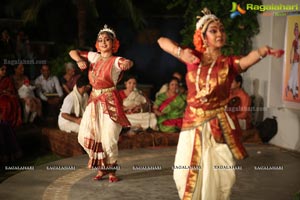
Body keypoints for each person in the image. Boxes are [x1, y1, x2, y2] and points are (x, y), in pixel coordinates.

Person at [157, 8, 284, 200]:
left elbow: (247, 61)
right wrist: (180, 53)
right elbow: (161, 41)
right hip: (192, 125)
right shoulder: (193, 57)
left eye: (221, 30)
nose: (220, 34)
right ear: (203, 36)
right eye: (214, 30)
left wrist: (262, 51)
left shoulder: (228, 63)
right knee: (183, 172)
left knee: (222, 174)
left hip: (217, 124)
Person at [69, 24, 133, 183]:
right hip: (94, 101)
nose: (103, 42)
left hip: (110, 102)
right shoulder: (94, 57)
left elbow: (127, 62)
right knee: (85, 135)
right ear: (97, 44)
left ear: (113, 43)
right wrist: (78, 60)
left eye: (107, 40)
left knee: (109, 138)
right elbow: (73, 52)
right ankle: (101, 166)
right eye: (100, 40)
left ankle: (111, 169)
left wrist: (127, 64)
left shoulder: (116, 60)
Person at [0, 62, 22, 163]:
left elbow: (12, 92)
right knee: (5, 125)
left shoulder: (7, 80)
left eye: (5, 69)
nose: (4, 72)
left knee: (5, 124)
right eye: (2, 69)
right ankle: (11, 153)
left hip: (5, 109)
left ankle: (8, 154)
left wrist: (5, 93)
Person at [286, 22, 299, 99]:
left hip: (297, 59)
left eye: (298, 30)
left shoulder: (299, 40)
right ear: (294, 32)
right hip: (295, 59)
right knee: (294, 76)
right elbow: (291, 50)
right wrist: (290, 58)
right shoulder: (294, 41)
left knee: (294, 75)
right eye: (296, 30)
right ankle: (292, 91)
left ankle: (291, 89)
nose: (297, 31)